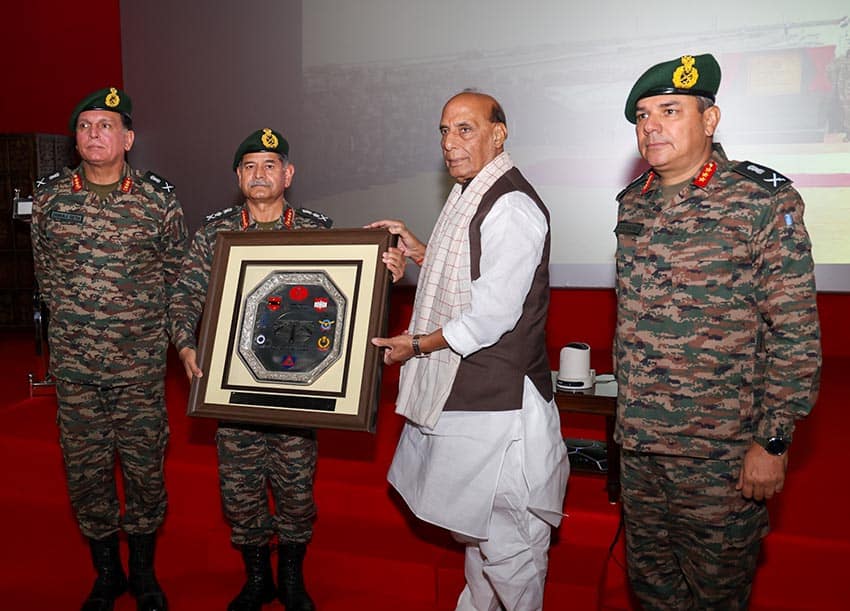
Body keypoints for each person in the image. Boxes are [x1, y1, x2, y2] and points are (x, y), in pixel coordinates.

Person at [614, 53, 822, 609]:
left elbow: (795, 331)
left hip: (721, 458)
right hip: (641, 450)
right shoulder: (633, 204)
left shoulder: (761, 200)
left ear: (709, 120)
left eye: (669, 110)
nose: (651, 126)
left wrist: (773, 441)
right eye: (642, 115)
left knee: (717, 598)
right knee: (653, 594)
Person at [170, 128, 405, 611]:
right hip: (234, 390)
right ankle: (258, 579)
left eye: (270, 165)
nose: (259, 174)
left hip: (298, 389)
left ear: (288, 174)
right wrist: (186, 345)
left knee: (296, 490)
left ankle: (292, 579)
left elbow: (349, 293)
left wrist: (389, 272)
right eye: (249, 166)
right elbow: (184, 297)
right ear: (238, 177)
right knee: (240, 491)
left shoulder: (318, 230)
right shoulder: (214, 234)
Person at [369, 91, 569, 611]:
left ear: (498, 135)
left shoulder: (512, 206)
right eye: (444, 130)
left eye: (464, 129)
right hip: (470, 401)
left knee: (510, 550)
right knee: (480, 545)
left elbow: (489, 317)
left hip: (500, 411)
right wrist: (421, 252)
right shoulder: (472, 192)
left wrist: (415, 345)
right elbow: (471, 271)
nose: (449, 142)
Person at [31, 87, 188, 611]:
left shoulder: (157, 201)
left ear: (128, 139)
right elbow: (46, 278)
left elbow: (176, 279)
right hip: (75, 369)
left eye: (106, 125)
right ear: (75, 139)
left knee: (145, 471)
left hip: (139, 368)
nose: (94, 134)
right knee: (86, 473)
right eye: (85, 126)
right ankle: (107, 574)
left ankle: (142, 572)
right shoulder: (51, 200)